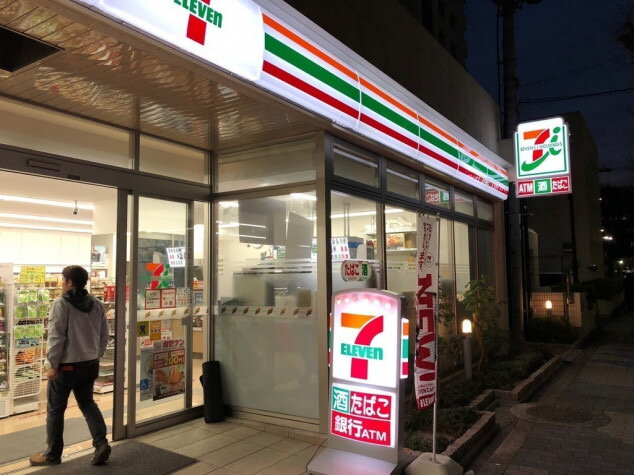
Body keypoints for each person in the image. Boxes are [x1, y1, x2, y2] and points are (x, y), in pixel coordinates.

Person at [30, 265, 111, 466]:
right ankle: (101, 443)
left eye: (62, 279)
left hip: (66, 366)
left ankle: (52, 455)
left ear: (69, 282)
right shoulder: (97, 304)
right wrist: (96, 354)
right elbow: (104, 335)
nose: (61, 283)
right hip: (90, 364)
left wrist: (52, 364)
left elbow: (56, 336)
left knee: (55, 410)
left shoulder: (61, 304)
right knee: (88, 403)